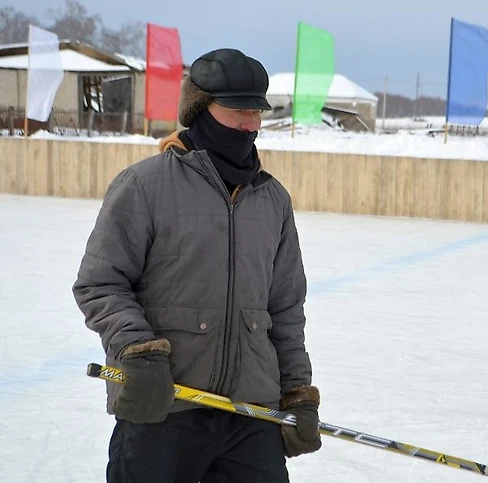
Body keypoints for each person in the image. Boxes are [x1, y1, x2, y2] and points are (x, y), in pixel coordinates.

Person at [72, 48, 321, 483]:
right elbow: (101, 284)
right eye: (237, 110)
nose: (251, 124)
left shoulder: (272, 200)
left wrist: (297, 392)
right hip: (165, 403)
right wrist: (138, 352)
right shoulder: (144, 186)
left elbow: (285, 309)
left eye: (256, 111)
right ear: (199, 109)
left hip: (250, 414)